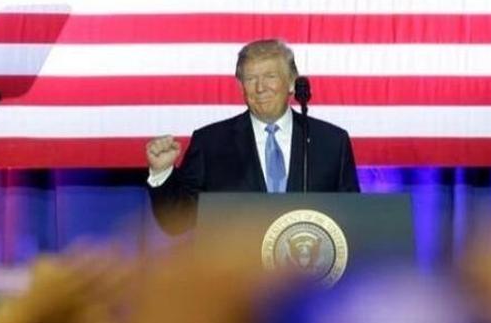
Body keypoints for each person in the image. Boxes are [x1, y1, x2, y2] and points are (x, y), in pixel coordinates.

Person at [145, 39, 359, 234]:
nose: (260, 88)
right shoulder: (210, 143)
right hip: (237, 274)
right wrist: (162, 172)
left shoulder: (331, 142)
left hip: (308, 272)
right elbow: (177, 222)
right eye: (250, 78)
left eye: (270, 76)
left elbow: (353, 222)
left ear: (292, 82)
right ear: (241, 85)